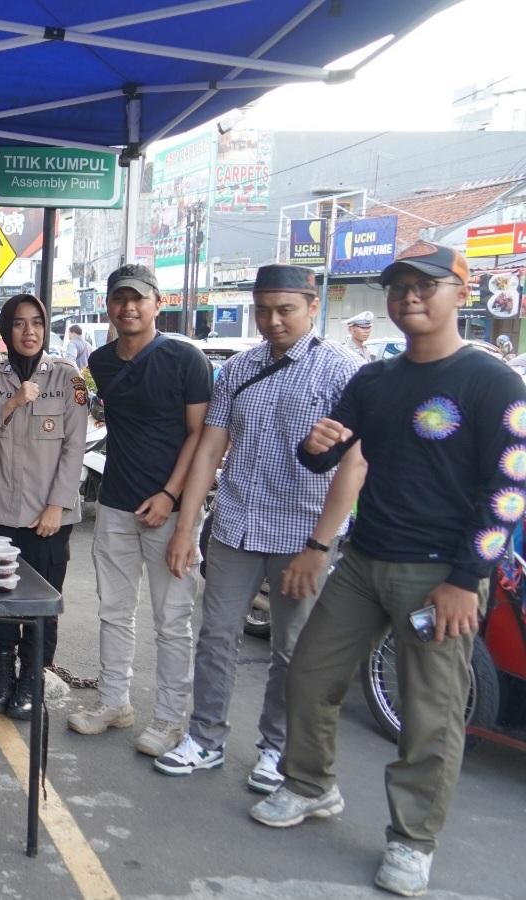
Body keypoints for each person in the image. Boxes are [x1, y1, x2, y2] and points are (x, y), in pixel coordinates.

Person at [252, 244, 526, 897]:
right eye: (399, 286)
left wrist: (467, 578)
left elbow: (510, 489)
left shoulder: (493, 384)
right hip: (364, 560)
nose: (409, 297)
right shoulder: (375, 380)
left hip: (441, 576)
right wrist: (313, 446)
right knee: (309, 676)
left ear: (461, 292)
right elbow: (326, 457)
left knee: (430, 716)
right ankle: (310, 785)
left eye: (425, 285)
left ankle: (412, 842)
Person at [155, 265, 361, 793]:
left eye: (285, 310)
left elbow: (360, 463)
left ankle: (277, 748)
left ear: (312, 308)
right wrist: (186, 526)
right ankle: (206, 737)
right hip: (236, 526)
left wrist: (321, 544)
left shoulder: (342, 372)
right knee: (217, 636)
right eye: (263, 310)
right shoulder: (241, 367)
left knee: (292, 649)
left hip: (303, 535)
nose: (272, 321)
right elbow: (210, 448)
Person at [66, 263, 212, 759]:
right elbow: (87, 410)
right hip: (114, 504)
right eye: (119, 298)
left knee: (173, 618)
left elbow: (201, 436)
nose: (128, 307)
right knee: (113, 611)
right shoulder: (102, 363)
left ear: (157, 303)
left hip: (169, 510)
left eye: (138, 298)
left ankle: (171, 720)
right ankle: (114, 702)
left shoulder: (185, 359)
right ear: (108, 305)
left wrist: (172, 498)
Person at [0, 293, 87, 720]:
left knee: (40, 604)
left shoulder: (68, 378)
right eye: (19, 324)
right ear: (5, 330)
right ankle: (2, 678)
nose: (29, 331)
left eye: (36, 322)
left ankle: (31, 679)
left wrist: (57, 506)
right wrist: (13, 401)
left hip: (47, 517)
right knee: (0, 600)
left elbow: (75, 449)